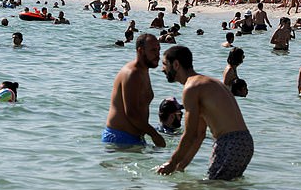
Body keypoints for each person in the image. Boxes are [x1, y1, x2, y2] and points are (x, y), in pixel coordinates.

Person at [158, 45, 253, 180]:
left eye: (164, 64)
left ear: (176, 64)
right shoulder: (205, 83)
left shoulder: (191, 88)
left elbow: (189, 134)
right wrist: (180, 167)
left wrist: (171, 162)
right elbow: (199, 135)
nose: (162, 69)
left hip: (229, 143)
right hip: (244, 142)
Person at [102, 34, 166, 147]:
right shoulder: (132, 74)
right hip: (119, 138)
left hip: (134, 138)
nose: (158, 54)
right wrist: (154, 135)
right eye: (153, 50)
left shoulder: (143, 71)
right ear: (141, 51)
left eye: (158, 50)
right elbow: (131, 113)